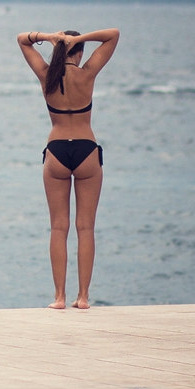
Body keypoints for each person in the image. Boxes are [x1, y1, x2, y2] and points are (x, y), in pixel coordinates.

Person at [17, 28, 119, 310]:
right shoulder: (87, 74)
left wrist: (49, 37)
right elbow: (113, 35)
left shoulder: (46, 75)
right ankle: (83, 297)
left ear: (57, 50)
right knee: (85, 228)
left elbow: (22, 40)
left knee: (58, 228)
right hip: (86, 150)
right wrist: (79, 39)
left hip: (57, 151)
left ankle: (60, 297)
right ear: (80, 52)